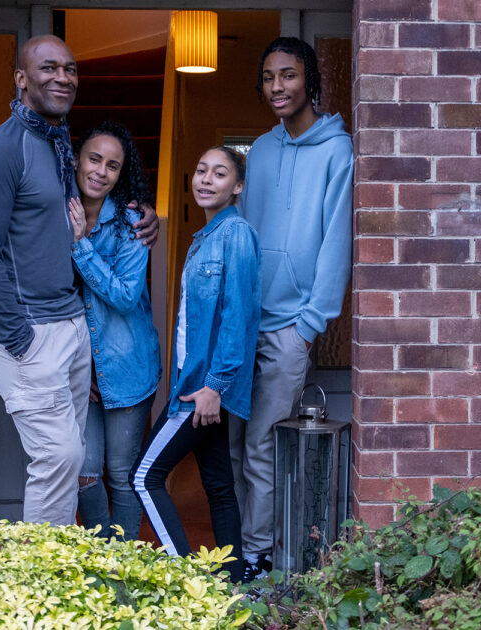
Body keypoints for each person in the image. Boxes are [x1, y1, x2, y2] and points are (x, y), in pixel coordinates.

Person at [0, 35, 158, 525]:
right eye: (48, 68)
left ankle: (66, 576)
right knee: (60, 459)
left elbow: (76, 220)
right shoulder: (0, 151)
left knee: (70, 467)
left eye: (70, 69)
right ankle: (37, 585)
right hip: (30, 333)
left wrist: (145, 212)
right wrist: (18, 339)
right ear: (21, 78)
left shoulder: (57, 145)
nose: (62, 77)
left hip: (71, 328)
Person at [232, 36, 353, 580]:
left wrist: (310, 324)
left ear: (310, 82)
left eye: (287, 75)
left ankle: (261, 556)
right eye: (267, 77)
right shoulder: (260, 151)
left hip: (289, 328)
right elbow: (245, 233)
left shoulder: (337, 151)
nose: (277, 87)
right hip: (245, 322)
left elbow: (336, 242)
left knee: (262, 443)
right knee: (236, 445)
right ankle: (250, 547)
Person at [131, 146, 260, 581]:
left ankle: (185, 580)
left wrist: (215, 387)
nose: (206, 179)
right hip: (200, 386)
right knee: (220, 488)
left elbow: (237, 317)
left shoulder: (235, 234)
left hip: (203, 391)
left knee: (143, 477)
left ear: (237, 186)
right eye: (201, 170)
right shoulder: (203, 238)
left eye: (219, 173)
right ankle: (233, 588)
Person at [68, 121, 160, 541]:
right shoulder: (51, 213)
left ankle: (124, 566)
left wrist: (80, 246)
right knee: (85, 475)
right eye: (94, 159)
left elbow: (125, 296)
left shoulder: (132, 225)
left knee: (122, 475)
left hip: (127, 367)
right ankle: (103, 558)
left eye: (113, 166)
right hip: (79, 371)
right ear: (76, 159)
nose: (101, 171)